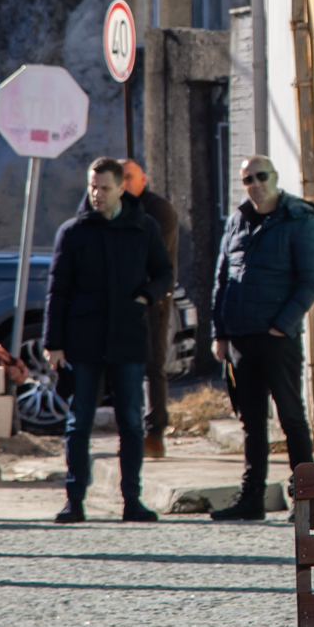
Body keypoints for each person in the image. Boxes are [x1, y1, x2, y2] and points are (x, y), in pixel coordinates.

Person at [45, 156, 174, 524]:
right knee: (79, 422)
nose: (97, 194)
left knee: (131, 422)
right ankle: (74, 500)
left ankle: (132, 499)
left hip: (128, 337)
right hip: (84, 340)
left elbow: (164, 273)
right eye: (92, 187)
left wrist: (145, 296)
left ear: (121, 189)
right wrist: (53, 343)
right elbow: (57, 289)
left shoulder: (143, 227)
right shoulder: (73, 231)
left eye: (104, 188)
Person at [210, 155, 314, 521]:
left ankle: (307, 501)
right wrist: (220, 333)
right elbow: (222, 281)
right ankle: (251, 498)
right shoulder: (237, 220)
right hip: (241, 339)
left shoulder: (298, 219)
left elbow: (311, 282)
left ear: (274, 178)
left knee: (291, 417)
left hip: (278, 339)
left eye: (261, 177)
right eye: (248, 179)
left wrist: (280, 326)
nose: (255, 184)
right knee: (252, 422)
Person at [122, 159, 183, 457]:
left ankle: (154, 432)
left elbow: (151, 258)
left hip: (152, 298)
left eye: (128, 177)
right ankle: (130, 430)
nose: (123, 184)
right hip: (117, 300)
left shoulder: (158, 210)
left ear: (143, 180)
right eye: (118, 178)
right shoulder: (101, 205)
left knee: (152, 364)